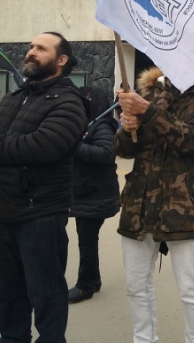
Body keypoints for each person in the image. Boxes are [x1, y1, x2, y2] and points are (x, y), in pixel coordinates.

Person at [115, 58, 194, 343]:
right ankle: (144, 339)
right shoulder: (150, 92)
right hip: (139, 205)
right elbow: (124, 149)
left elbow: (191, 140)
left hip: (184, 207)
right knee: (135, 286)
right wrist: (128, 126)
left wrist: (148, 112)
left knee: (191, 289)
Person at [0, 32, 87, 341]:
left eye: (41, 48)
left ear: (61, 60)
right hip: (1, 212)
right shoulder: (16, 97)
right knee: (9, 298)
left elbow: (44, 146)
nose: (31, 52)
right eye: (30, 46)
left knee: (47, 297)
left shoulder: (69, 100)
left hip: (39, 215)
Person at [67, 86, 120, 303]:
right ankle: (93, 279)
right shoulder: (86, 125)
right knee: (87, 238)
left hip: (96, 193)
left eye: (85, 100)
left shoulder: (103, 126)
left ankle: (85, 285)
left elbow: (107, 154)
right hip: (85, 191)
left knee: (87, 240)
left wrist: (74, 147)